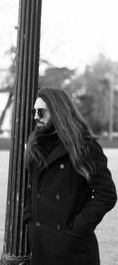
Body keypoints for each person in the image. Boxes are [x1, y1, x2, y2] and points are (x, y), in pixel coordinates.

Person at [24, 87, 117, 265]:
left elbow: (106, 194)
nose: (36, 117)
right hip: (40, 246)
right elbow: (31, 189)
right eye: (34, 112)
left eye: (41, 112)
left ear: (58, 112)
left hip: (72, 251)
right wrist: (29, 219)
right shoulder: (35, 146)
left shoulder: (85, 147)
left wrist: (76, 230)